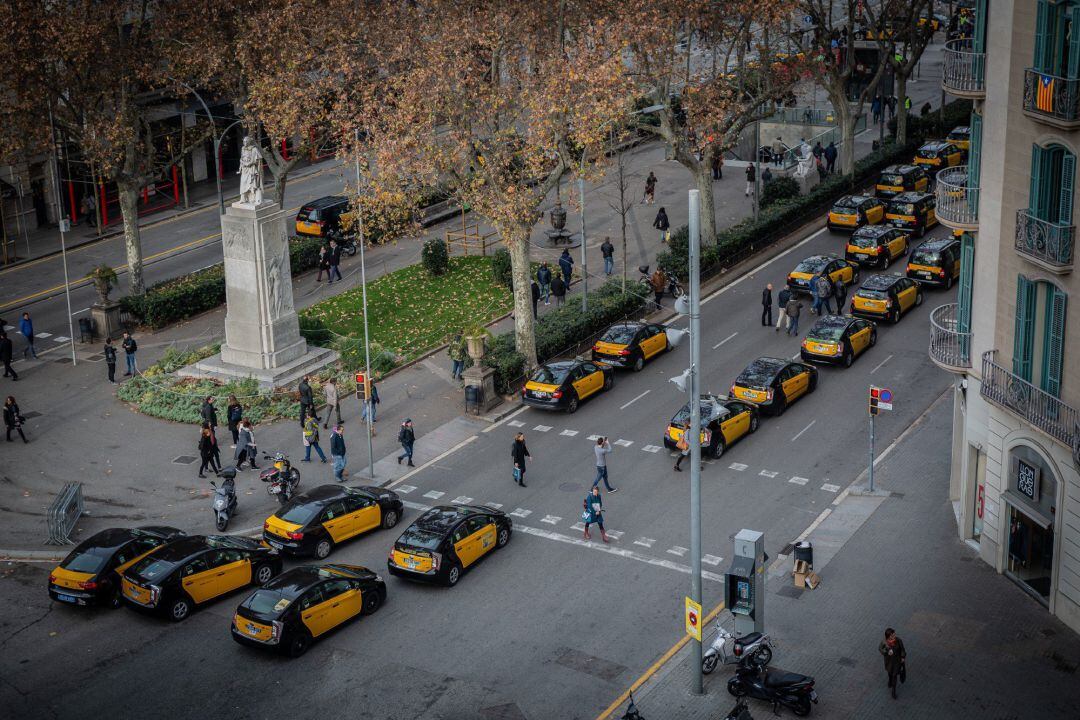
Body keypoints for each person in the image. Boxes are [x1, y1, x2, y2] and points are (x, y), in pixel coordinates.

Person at [879, 628, 907, 700]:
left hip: (897, 661)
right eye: (892, 635)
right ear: (888, 636)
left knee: (895, 675)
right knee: (890, 672)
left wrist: (903, 657)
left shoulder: (898, 640)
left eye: (894, 634)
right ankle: (890, 680)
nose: (894, 636)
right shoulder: (884, 642)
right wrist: (886, 652)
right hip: (889, 661)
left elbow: (902, 650)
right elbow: (880, 649)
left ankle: (893, 690)